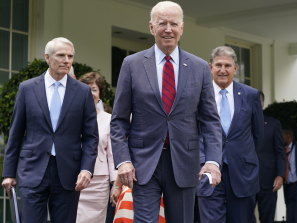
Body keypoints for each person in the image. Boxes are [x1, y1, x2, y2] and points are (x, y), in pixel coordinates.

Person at [110, 1, 222, 222]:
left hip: (185, 162)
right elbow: (119, 121)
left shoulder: (199, 67)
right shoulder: (131, 64)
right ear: (152, 28)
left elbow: (210, 120)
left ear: (182, 28)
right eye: (162, 23)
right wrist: (123, 161)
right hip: (143, 164)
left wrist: (213, 160)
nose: (168, 29)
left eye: (174, 23)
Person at [1, 37, 98, 223]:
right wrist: (9, 172)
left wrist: (87, 169)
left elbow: (90, 136)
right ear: (47, 57)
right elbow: (15, 133)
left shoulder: (82, 92)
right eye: (61, 55)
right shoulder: (27, 88)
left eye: (70, 56)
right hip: (32, 169)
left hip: (68, 172)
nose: (66, 60)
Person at [197, 46, 264, 223]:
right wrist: (201, 161)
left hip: (243, 174)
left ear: (236, 68)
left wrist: (243, 156)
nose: (223, 70)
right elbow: (192, 133)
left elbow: (258, 135)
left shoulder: (251, 95)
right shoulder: (197, 94)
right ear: (210, 67)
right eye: (218, 65)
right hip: (208, 172)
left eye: (228, 65)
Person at [77, 72, 116, 222]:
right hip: (73, 180)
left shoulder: (109, 120)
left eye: (93, 89)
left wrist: (115, 183)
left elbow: (112, 154)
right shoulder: (70, 117)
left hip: (98, 184)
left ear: (100, 94)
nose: (89, 93)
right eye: (85, 89)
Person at [253, 91, 285, 223]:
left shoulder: (273, 124)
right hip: (244, 180)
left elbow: (279, 151)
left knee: (267, 218)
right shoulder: (240, 123)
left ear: (262, 103)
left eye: (258, 100)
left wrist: (280, 175)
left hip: (268, 180)